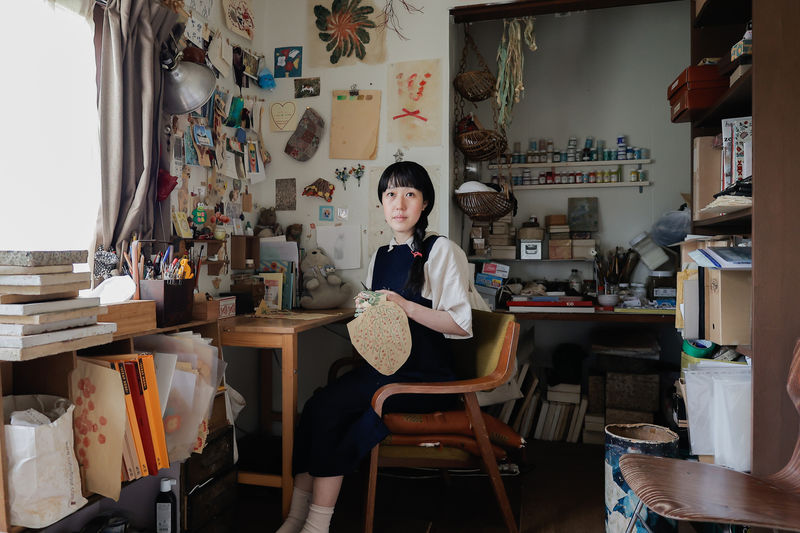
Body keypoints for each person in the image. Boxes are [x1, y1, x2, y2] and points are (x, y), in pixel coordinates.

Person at [275, 161, 481, 533]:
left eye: (409, 194)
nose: (399, 203)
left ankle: (316, 525)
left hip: (425, 377)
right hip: (384, 371)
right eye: (390, 194)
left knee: (331, 408)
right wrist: (364, 311)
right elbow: (377, 324)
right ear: (381, 204)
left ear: (425, 203)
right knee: (317, 405)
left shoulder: (442, 251)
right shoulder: (380, 256)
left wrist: (404, 304)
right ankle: (297, 516)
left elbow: (460, 325)